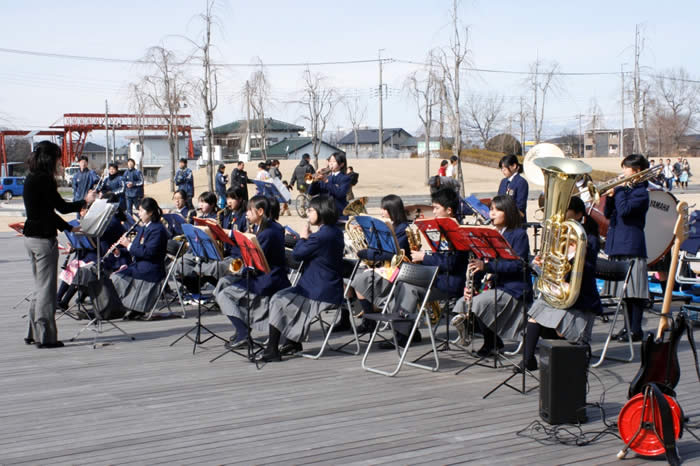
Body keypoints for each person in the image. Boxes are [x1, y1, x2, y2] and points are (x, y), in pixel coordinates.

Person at [23, 141, 96, 348]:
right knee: (46, 290)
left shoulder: (31, 178)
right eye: (57, 158)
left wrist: (68, 228)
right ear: (50, 159)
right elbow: (62, 207)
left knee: (39, 287)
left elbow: (47, 211)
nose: (58, 162)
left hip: (30, 238)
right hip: (43, 241)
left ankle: (32, 332)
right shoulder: (45, 180)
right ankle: (45, 337)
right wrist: (85, 201)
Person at [518, 196, 602, 372]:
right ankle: (527, 359)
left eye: (566, 211)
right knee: (536, 310)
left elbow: (587, 269)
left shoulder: (589, 238)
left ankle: (577, 350)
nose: (561, 215)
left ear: (578, 215)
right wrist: (543, 263)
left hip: (579, 295)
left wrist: (573, 256)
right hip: (558, 291)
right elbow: (551, 269)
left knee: (560, 330)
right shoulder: (560, 236)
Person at [259, 195, 345, 361]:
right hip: (317, 285)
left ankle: (272, 350)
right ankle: (292, 342)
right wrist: (304, 240)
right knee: (282, 298)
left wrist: (303, 238)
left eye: (311, 210)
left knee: (279, 299)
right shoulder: (332, 231)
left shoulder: (323, 236)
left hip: (321, 291)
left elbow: (298, 255)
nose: (308, 213)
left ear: (321, 211)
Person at [386, 188, 469, 349]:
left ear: (449, 210)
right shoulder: (441, 229)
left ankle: (402, 336)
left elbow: (450, 263)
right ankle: (408, 330)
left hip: (449, 283)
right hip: (437, 278)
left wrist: (424, 257)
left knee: (409, 288)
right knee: (401, 281)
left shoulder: (458, 232)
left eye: (437, 208)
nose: (434, 211)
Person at [454, 195, 530, 356]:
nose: (492, 214)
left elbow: (519, 265)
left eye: (497, 210)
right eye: (491, 210)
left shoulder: (518, 234)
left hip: (514, 288)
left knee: (479, 304)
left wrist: (487, 266)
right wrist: (472, 285)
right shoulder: (490, 234)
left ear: (508, 212)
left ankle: (491, 342)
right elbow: (482, 262)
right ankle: (492, 340)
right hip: (496, 285)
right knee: (464, 301)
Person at [214, 195, 290, 348]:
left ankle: (242, 333)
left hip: (267, 280)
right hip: (260, 275)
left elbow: (254, 263)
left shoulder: (268, 232)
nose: (246, 213)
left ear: (260, 211)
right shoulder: (264, 227)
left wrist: (239, 271)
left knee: (224, 295)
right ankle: (241, 328)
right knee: (222, 284)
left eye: (249, 210)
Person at [605, 154, 650, 343]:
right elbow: (609, 214)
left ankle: (636, 329)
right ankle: (627, 327)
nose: (623, 172)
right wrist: (609, 198)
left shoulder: (641, 193)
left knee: (635, 292)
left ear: (637, 171)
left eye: (626, 169)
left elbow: (624, 211)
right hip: (618, 243)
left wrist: (619, 191)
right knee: (624, 293)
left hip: (632, 244)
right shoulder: (625, 191)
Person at [351, 194, 411, 334]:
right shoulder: (390, 226)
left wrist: (366, 253)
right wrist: (368, 234)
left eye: (385, 209)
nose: (382, 212)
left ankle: (370, 319)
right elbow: (379, 248)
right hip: (386, 267)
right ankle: (370, 314)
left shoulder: (402, 229)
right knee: (357, 276)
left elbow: (393, 253)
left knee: (359, 280)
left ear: (393, 210)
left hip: (398, 270)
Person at [111, 197, 169, 316]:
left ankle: (119, 308)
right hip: (141, 265)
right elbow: (136, 247)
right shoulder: (145, 227)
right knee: (114, 277)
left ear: (151, 212)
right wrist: (120, 251)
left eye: (141, 211)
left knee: (116, 278)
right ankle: (118, 307)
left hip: (151, 268)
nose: (139, 214)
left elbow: (148, 252)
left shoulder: (157, 229)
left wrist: (128, 245)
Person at [308, 152, 351, 217]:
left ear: (342, 164)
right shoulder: (326, 177)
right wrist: (315, 180)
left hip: (338, 213)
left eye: (334, 161)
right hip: (324, 212)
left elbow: (340, 194)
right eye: (330, 161)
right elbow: (311, 192)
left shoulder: (345, 178)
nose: (331, 163)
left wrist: (326, 181)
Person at [497, 154, 529, 220]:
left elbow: (521, 206)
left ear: (514, 166)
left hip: (516, 223)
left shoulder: (521, 182)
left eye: (505, 168)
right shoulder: (503, 181)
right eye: (501, 168)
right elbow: (499, 199)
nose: (503, 171)